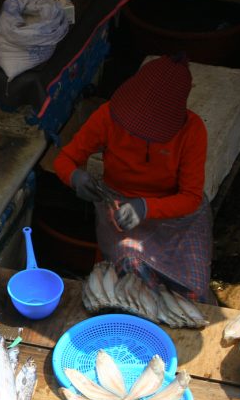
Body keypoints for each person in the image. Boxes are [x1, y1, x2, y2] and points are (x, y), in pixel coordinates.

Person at [54, 54, 211, 301]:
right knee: (129, 273)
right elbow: (64, 160)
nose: (138, 133)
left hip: (172, 210)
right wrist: (74, 177)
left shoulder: (192, 131)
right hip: (117, 204)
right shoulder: (108, 116)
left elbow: (191, 197)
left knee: (190, 288)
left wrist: (146, 207)